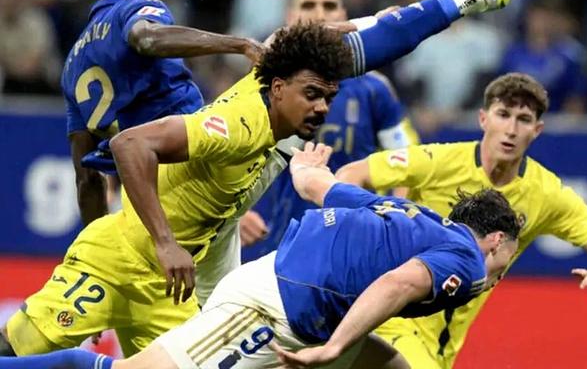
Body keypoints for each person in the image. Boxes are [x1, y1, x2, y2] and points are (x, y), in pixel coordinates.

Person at [0, 0, 513, 357]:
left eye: (326, 96)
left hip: (189, 244)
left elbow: (87, 173)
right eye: (314, 93)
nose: (325, 105)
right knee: (22, 348)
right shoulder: (145, 21)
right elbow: (143, 70)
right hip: (163, 221)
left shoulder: (73, 67)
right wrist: (237, 43)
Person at [0, 142, 520, 369]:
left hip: (302, 301)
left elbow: (320, 186)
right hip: (273, 308)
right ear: (494, 241)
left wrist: (304, 170)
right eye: (506, 262)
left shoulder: (417, 218)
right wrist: (334, 348)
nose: (498, 278)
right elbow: (398, 286)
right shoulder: (469, 262)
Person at [336, 72, 587, 369]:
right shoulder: (439, 161)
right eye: (503, 114)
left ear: (537, 130)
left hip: (441, 345)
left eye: (524, 119)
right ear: (483, 119)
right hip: (391, 317)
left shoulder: (546, 193)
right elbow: (351, 175)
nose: (512, 129)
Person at [60, 0, 266, 225]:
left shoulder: (72, 63)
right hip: (191, 163)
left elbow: (86, 180)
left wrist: (94, 241)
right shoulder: (132, 9)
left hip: (140, 196)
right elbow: (147, 38)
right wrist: (239, 44)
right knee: (280, 103)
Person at [243, 0, 418, 254]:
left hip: (359, 246)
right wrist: (236, 215)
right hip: (287, 246)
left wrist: (396, 221)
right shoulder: (268, 86)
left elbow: (409, 160)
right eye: (309, 5)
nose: (320, 14)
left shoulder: (375, 89)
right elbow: (233, 157)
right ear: (290, 16)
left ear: (343, 16)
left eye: (329, 5)